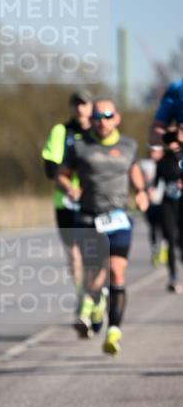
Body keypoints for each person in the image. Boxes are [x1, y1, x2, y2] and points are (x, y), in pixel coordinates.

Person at [56, 98, 149, 356]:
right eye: (97, 117)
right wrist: (69, 187)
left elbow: (134, 170)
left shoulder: (128, 145)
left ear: (117, 118)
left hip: (118, 218)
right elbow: (61, 174)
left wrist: (141, 191)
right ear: (91, 120)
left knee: (117, 272)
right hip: (88, 218)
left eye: (107, 116)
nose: (102, 122)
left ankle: (114, 331)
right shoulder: (80, 146)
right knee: (94, 273)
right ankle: (93, 307)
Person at [41, 90, 93, 312]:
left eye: (84, 104)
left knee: (95, 252)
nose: (79, 108)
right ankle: (83, 297)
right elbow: (50, 168)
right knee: (74, 255)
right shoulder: (61, 131)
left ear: (91, 107)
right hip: (66, 202)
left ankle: (96, 293)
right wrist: (69, 186)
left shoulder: (99, 132)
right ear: (70, 107)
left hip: (94, 201)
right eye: (75, 104)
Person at [154, 131, 183, 293]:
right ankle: (173, 277)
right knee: (170, 238)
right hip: (168, 203)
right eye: (168, 142)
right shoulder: (163, 161)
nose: (171, 145)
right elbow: (156, 182)